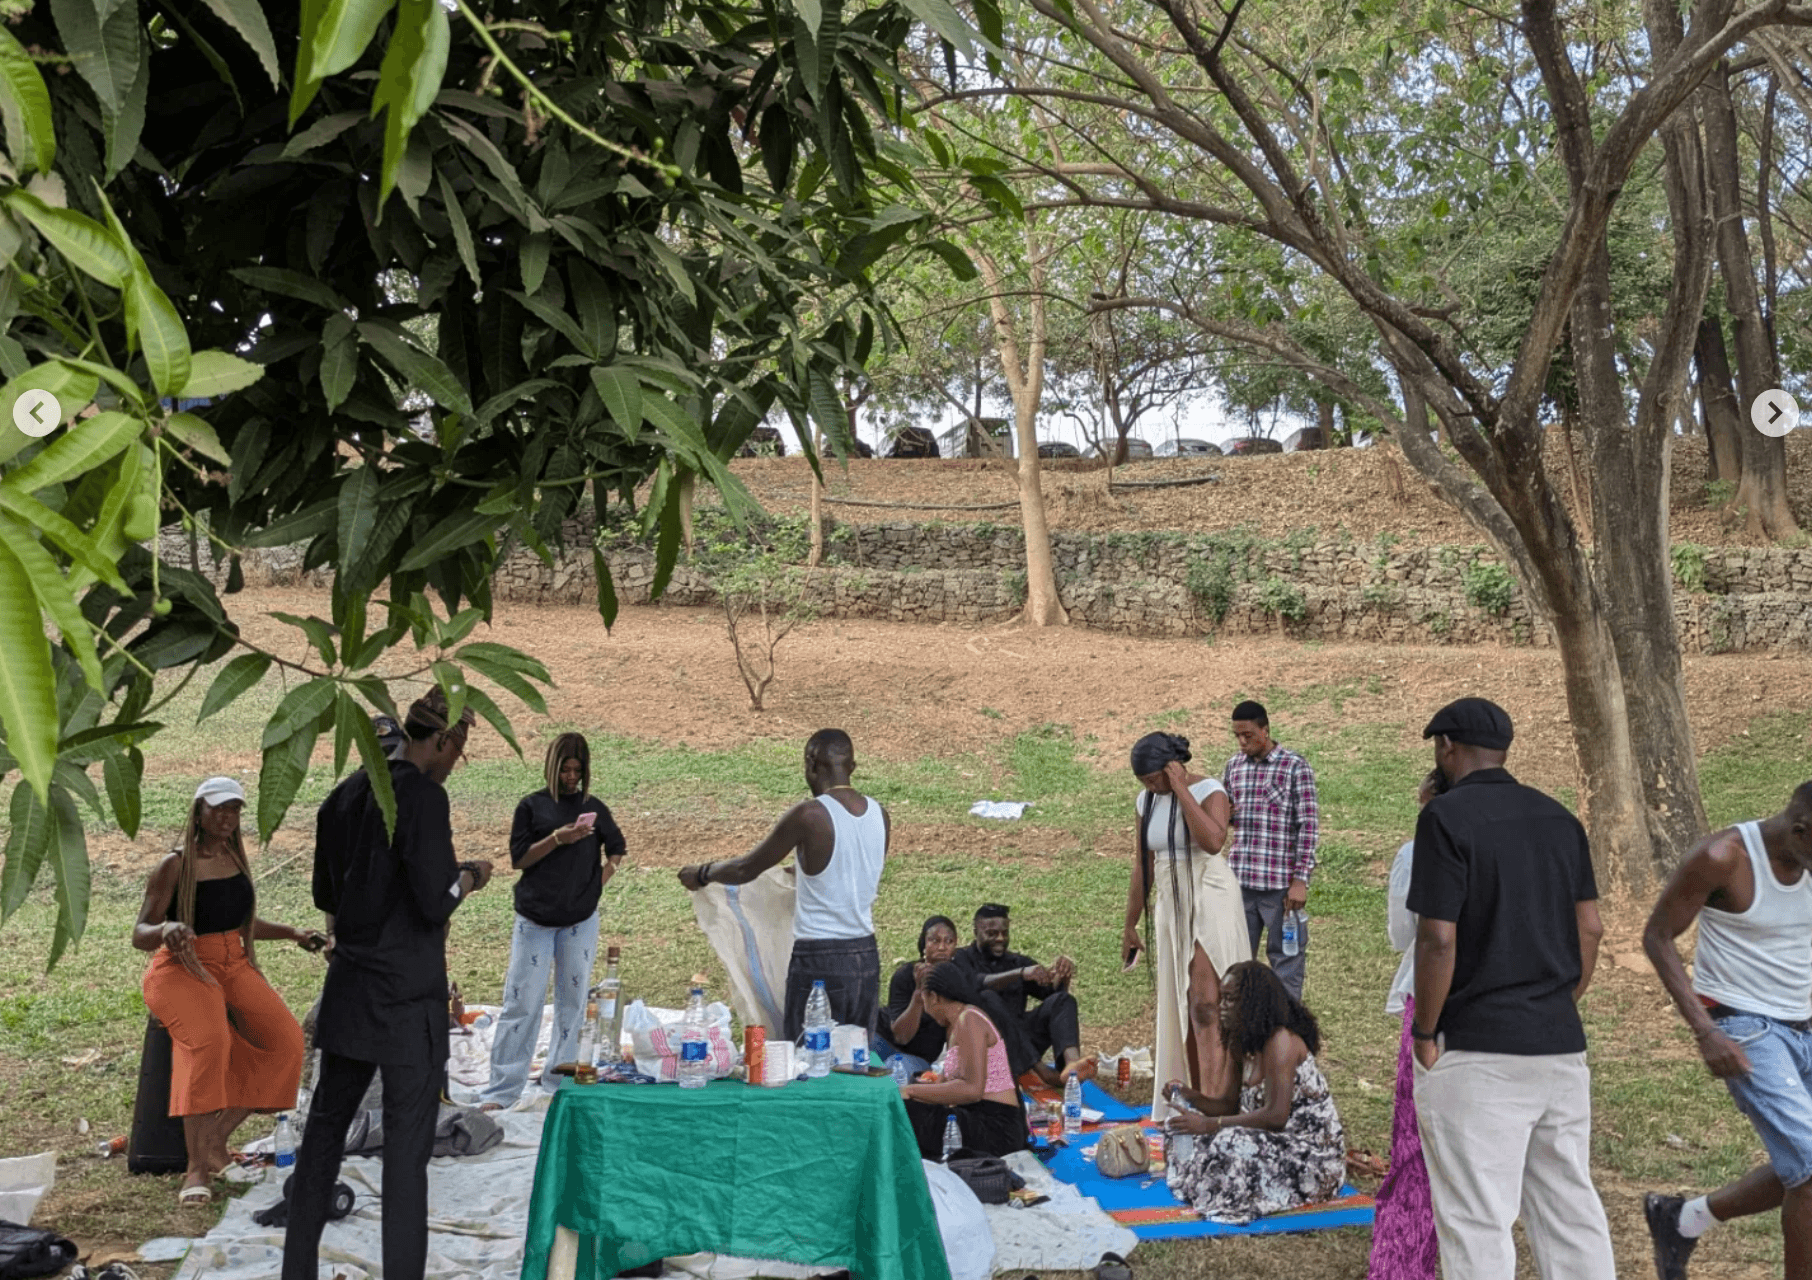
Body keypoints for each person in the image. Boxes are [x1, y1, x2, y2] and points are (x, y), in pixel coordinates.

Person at [283, 688, 495, 1280]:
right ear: (445, 740)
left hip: (351, 989)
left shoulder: (345, 795)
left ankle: (295, 1270)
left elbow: (326, 895)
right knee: (406, 1156)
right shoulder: (423, 798)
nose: (456, 764)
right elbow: (436, 900)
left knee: (324, 1138)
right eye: (459, 750)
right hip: (406, 1001)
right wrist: (470, 876)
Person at [1408, 697, 1616, 1279]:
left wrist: (1425, 1031)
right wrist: (1559, 1001)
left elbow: (1437, 938)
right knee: (1569, 1208)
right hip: (1558, 1042)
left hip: (1476, 1049)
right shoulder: (1559, 818)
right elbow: (1591, 927)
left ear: (1447, 747)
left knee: (1477, 1217)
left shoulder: (1444, 818)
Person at [1640, 782, 1812, 1280]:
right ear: (1800, 831)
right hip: (1745, 1026)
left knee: (1800, 1165)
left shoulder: (1807, 857)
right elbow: (1657, 936)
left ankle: (1683, 1218)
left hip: (1804, 1021)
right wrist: (1705, 1031)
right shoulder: (1724, 857)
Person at [135, 777, 320, 1205]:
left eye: (234, 809)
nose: (226, 817)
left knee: (286, 1042)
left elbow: (238, 922)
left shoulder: (235, 857)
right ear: (198, 811)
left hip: (231, 960)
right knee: (209, 1041)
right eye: (218, 808)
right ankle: (196, 1168)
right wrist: (167, 928)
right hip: (181, 965)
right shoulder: (175, 864)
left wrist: (292, 933)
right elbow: (140, 933)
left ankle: (215, 1143)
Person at [678, 729, 888, 1041]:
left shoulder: (810, 815)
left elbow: (746, 868)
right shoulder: (879, 815)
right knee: (853, 1058)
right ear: (853, 767)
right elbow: (850, 870)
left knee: (807, 1060)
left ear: (810, 765)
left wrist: (702, 873)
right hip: (865, 955)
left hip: (819, 957)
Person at [479, 733, 627, 1110]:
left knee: (573, 1002)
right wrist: (558, 839)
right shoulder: (532, 807)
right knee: (522, 1001)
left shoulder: (595, 807)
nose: (572, 777)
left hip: (579, 919)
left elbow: (617, 848)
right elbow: (519, 859)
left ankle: (558, 1082)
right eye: (566, 770)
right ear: (552, 767)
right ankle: (502, 1089)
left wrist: (597, 884)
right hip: (536, 918)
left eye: (578, 770)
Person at [1159, 960, 1345, 1224]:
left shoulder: (1281, 1042)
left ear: (1252, 1003)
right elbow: (1227, 1104)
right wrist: (1190, 1097)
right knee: (1178, 1129)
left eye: (1230, 1000)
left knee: (1227, 1142)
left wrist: (1209, 1124)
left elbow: (1276, 1117)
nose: (1220, 1008)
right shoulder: (1240, 1040)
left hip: (1307, 1154)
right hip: (1264, 1141)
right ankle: (1209, 1185)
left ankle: (1216, 1188)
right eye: (1221, 999)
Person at [1124, 732, 1248, 1121]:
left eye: (1154, 779)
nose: (1150, 788)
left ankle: (1218, 1102)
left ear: (1171, 767)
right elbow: (1142, 864)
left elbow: (1213, 841)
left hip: (1210, 897)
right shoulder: (1146, 801)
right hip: (1170, 904)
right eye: (1144, 782)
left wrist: (1180, 789)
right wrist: (1130, 923)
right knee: (1183, 1005)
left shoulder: (1211, 790)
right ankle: (1194, 1092)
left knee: (1207, 1004)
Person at [1367, 769, 1446, 1280]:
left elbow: (1405, 934)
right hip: (1508, 1009)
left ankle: (1404, 1264)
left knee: (1417, 1136)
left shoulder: (1417, 854)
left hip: (1433, 1003)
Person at [1222, 700, 1319, 1001]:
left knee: (1286, 965)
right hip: (1240, 884)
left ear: (1265, 731)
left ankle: (1287, 1035)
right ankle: (1240, 1035)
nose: (1242, 741)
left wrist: (1300, 880)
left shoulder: (1294, 766)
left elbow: (1308, 826)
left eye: (1248, 735)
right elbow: (1227, 817)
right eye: (1237, 735)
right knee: (1236, 965)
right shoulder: (1233, 767)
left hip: (1280, 889)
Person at [898, 963, 1029, 1160]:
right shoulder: (955, 1025)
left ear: (934, 997)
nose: (925, 1008)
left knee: (905, 1111)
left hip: (997, 1129)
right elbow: (955, 1086)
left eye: (924, 1000)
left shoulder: (969, 1019)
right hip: (976, 1117)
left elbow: (972, 1090)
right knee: (906, 1107)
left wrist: (911, 1091)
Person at [951, 903, 1089, 1086]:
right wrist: (1020, 974)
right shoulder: (960, 958)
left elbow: (1053, 998)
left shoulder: (1017, 961)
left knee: (1063, 1000)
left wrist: (1062, 976)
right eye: (992, 933)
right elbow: (975, 983)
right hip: (986, 1048)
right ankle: (1042, 1072)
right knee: (988, 998)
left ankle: (1071, 1068)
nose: (1000, 938)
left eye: (1005, 933)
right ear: (976, 931)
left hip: (1022, 1044)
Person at [875, 916, 959, 1075]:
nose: (942, 947)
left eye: (949, 941)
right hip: (884, 1041)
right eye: (934, 941)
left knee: (895, 1070)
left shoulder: (957, 979)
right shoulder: (905, 976)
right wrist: (919, 995)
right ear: (923, 945)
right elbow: (901, 1037)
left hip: (917, 1058)